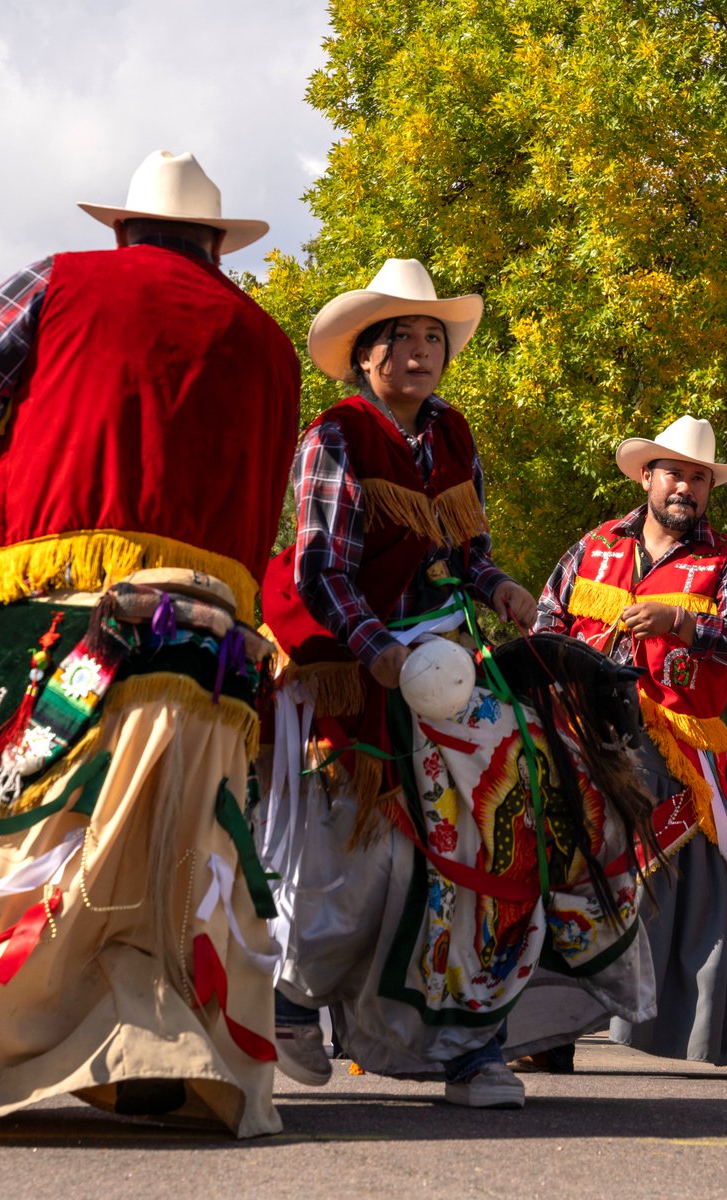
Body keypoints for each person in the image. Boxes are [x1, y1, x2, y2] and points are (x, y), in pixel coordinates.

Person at [259, 260, 655, 1109]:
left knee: (517, 808)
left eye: (432, 336)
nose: (419, 350)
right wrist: (380, 655)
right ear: (364, 356)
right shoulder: (335, 436)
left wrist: (502, 589)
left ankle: (472, 1043)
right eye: (399, 336)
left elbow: (465, 552)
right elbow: (320, 570)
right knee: (358, 847)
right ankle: (292, 1001)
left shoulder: (453, 434)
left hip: (438, 651)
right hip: (343, 654)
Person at [0, 150, 301, 1135]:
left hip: (60, 599)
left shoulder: (61, 278)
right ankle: (159, 1050)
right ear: (215, 247)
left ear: (124, 234)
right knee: (183, 845)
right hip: (212, 629)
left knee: (17, 815)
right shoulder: (270, 344)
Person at [531, 414, 727, 1077]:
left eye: (700, 479)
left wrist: (685, 625)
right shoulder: (590, 548)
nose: (687, 489)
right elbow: (543, 626)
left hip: (682, 749)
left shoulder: (725, 561)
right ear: (647, 475)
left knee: (716, 888)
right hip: (585, 742)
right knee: (565, 879)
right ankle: (544, 1033)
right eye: (675, 473)